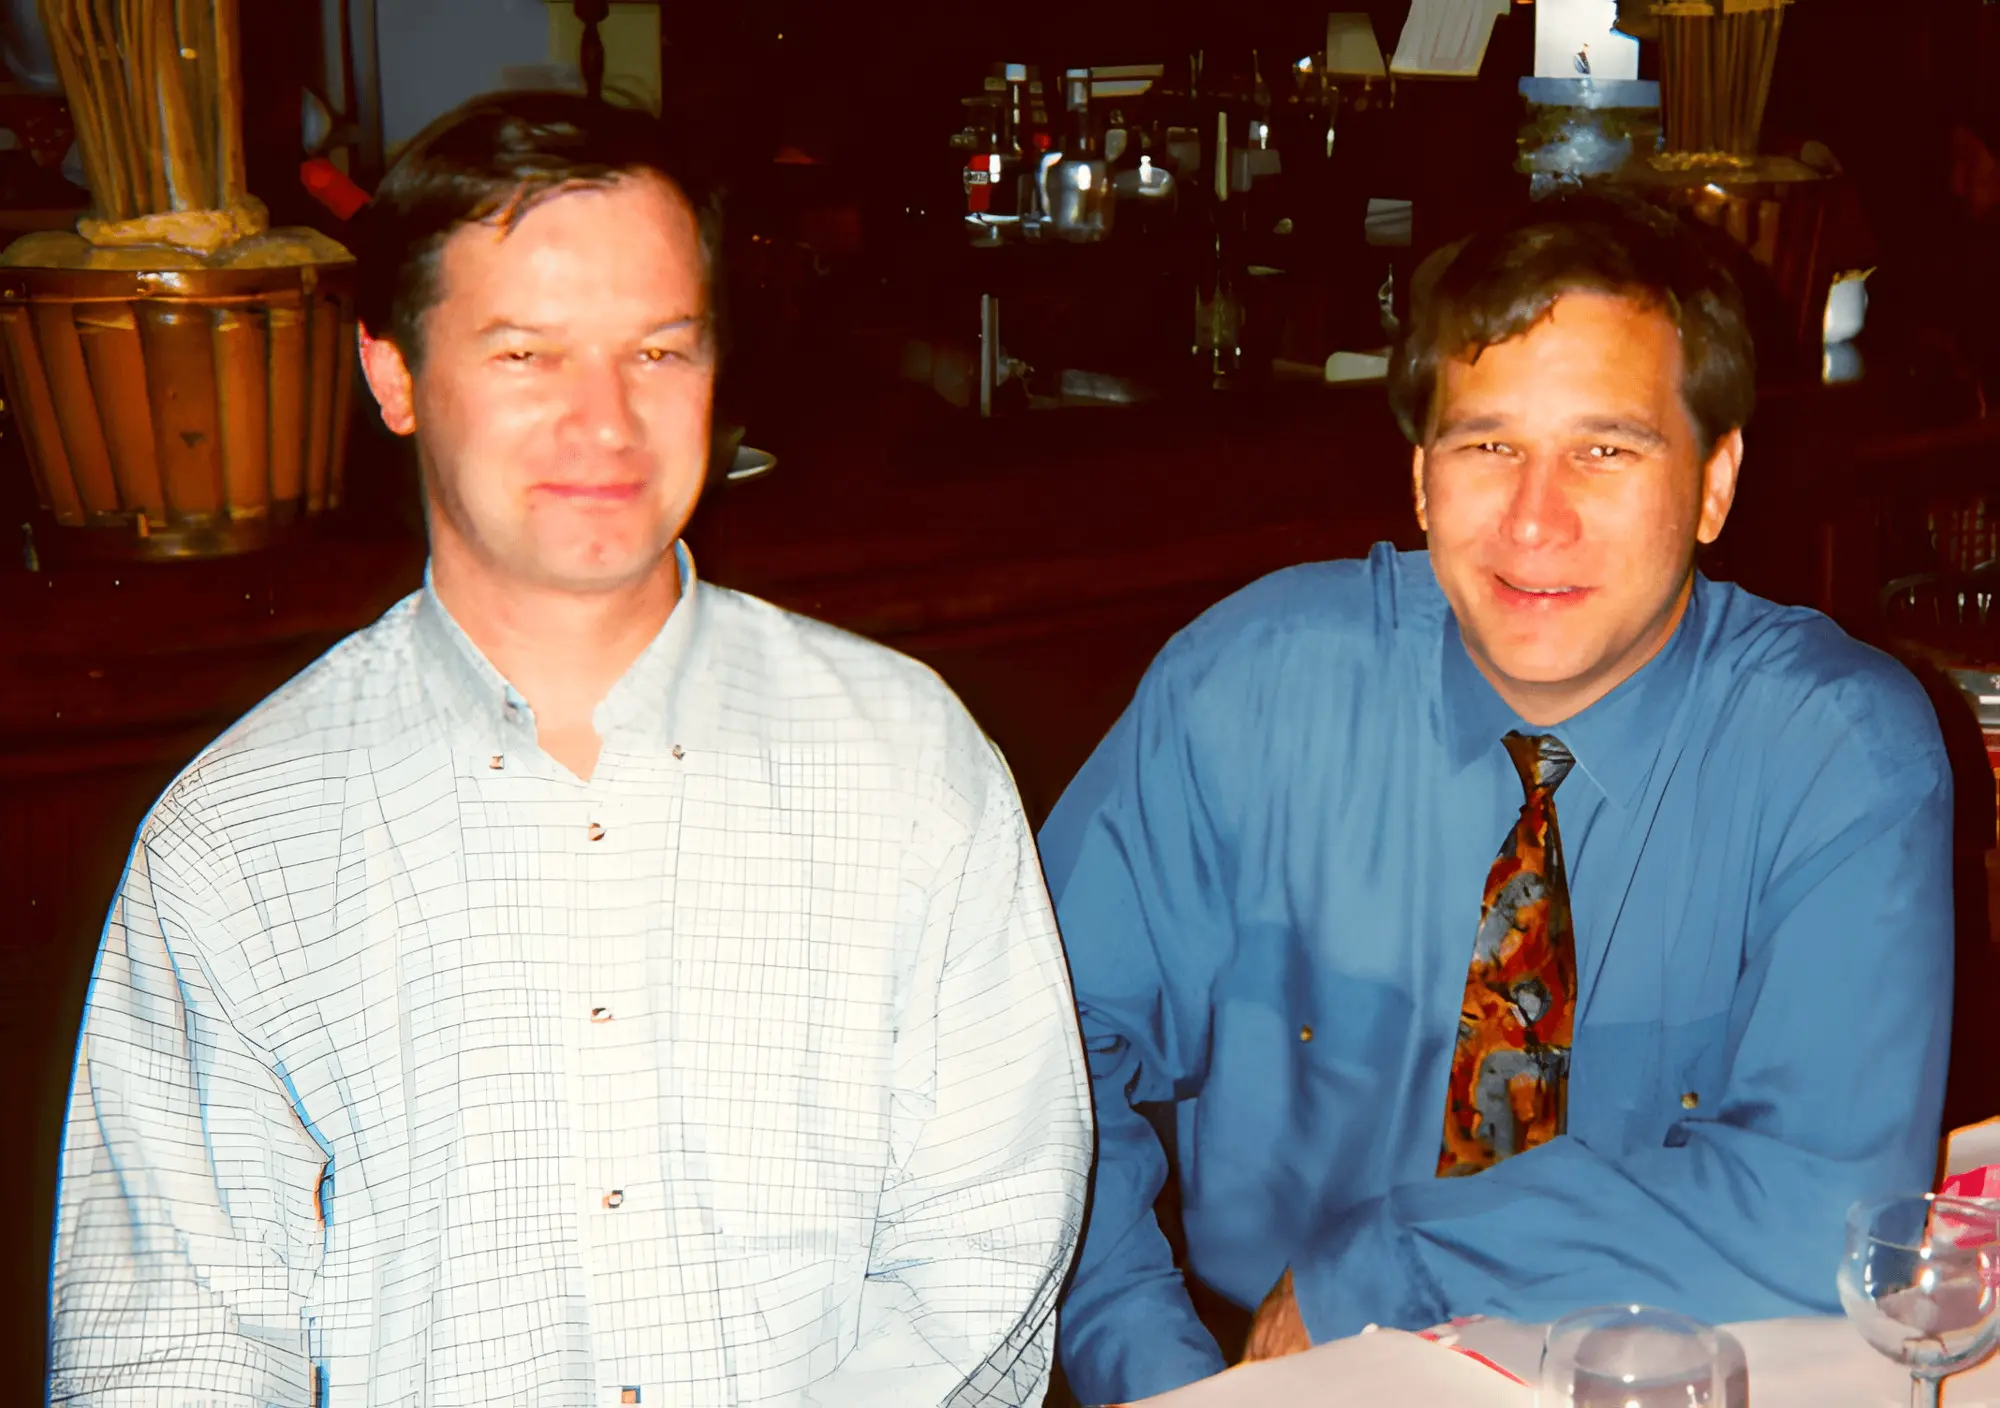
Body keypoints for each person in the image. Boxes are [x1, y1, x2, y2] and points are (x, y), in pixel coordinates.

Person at [47, 92, 1091, 1407]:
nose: (605, 423)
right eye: (526, 355)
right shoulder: (239, 833)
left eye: (658, 352)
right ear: (393, 374)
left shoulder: (906, 759)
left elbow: (985, 1244)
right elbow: (173, 1337)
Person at [1040, 195, 1954, 1406]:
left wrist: (1386, 1263)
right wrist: (1160, 1376)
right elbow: (1031, 1067)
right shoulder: (1247, 690)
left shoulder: (1836, 752)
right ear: (1420, 479)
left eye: (1604, 449)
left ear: (1715, 481)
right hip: (1252, 1365)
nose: (1535, 518)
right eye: (1485, 446)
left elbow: (1819, 1205)